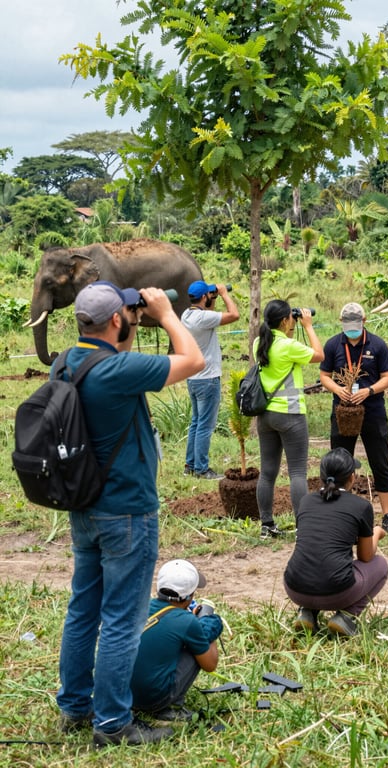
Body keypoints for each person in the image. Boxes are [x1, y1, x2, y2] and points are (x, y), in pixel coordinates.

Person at [55, 281, 204, 748]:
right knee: (122, 616)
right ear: (118, 319)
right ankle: (113, 723)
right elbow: (193, 361)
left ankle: (75, 705)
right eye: (129, 313)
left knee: (83, 608)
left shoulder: (65, 362)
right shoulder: (118, 368)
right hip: (127, 511)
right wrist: (164, 312)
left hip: (84, 507)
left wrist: (135, 318)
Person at [283, 447, 388, 637]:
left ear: (321, 477)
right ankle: (346, 617)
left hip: (294, 587)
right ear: (352, 477)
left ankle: (306, 611)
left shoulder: (306, 501)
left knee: (313, 561)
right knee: (380, 565)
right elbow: (365, 556)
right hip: (337, 592)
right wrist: (376, 533)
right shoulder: (361, 506)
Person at [319, 302, 388, 533]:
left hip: (372, 411)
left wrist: (369, 390)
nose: (351, 329)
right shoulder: (334, 344)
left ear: (363, 322)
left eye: (355, 324)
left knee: (380, 461)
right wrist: (337, 389)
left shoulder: (378, 344)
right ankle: (339, 513)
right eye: (347, 324)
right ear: (341, 322)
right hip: (342, 411)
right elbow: (325, 375)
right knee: (340, 463)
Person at [255, 299, 323, 538]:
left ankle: (266, 525)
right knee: (297, 473)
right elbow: (319, 355)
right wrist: (308, 326)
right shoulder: (287, 345)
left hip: (265, 416)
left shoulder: (258, 343)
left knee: (267, 472)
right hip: (291, 414)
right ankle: (302, 526)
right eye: (291, 317)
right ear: (285, 320)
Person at [131, 560, 223, 721]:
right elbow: (210, 665)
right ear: (189, 597)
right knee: (196, 647)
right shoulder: (186, 622)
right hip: (152, 701)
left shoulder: (137, 607)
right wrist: (207, 625)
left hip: (121, 696)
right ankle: (169, 709)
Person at [182, 280, 240, 480]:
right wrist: (223, 293)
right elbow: (234, 315)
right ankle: (202, 469)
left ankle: (190, 464)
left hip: (193, 378)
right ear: (204, 297)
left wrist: (212, 299)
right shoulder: (203, 318)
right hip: (208, 379)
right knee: (206, 425)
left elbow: (209, 314)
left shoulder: (187, 315)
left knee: (196, 422)